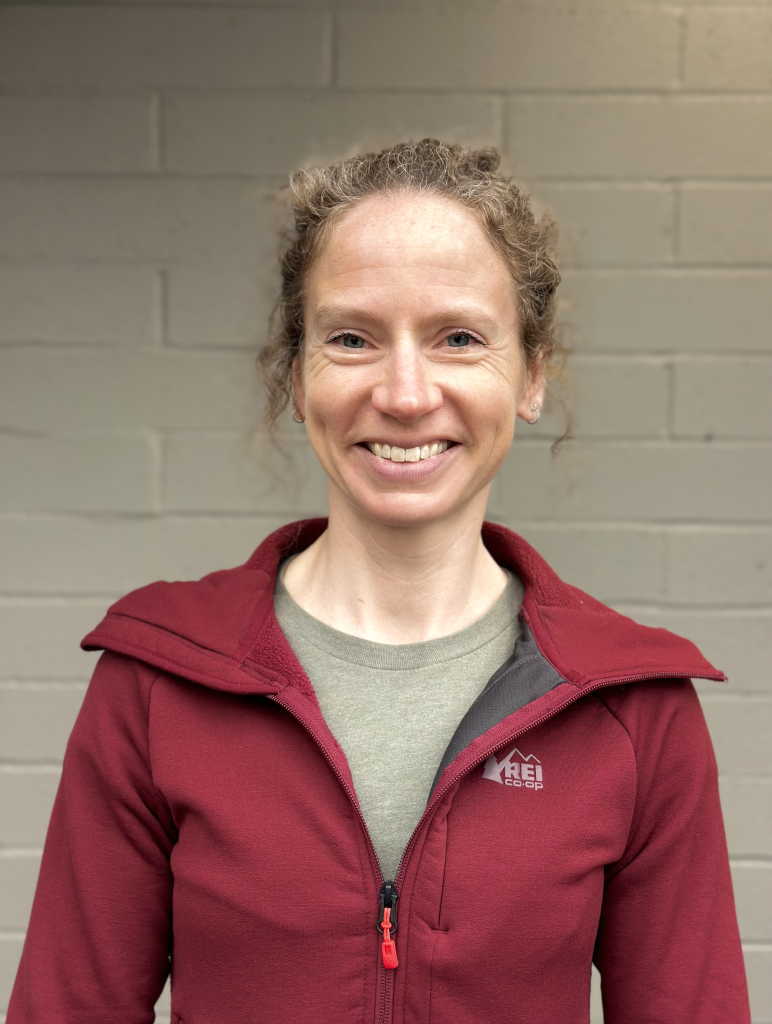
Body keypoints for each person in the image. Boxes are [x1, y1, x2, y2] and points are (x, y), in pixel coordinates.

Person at [9, 139, 749, 1024]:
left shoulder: (634, 709)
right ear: (295, 374)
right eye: (352, 338)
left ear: (533, 374)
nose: (404, 393)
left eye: (459, 338)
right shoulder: (158, 680)